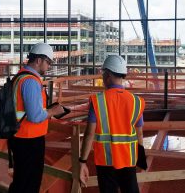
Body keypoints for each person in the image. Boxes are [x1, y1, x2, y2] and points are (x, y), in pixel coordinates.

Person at [79, 55, 145, 193]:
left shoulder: (98, 101)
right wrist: (141, 158)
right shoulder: (136, 101)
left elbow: (90, 133)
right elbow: (139, 133)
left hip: (105, 161)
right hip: (129, 159)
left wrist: (82, 162)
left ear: (108, 75)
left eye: (103, 73)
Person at [8, 43, 65, 193]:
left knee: (21, 181)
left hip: (19, 136)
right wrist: (53, 111)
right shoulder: (31, 81)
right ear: (39, 60)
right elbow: (34, 116)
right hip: (29, 139)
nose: (49, 66)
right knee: (29, 184)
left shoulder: (20, 76)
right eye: (48, 62)